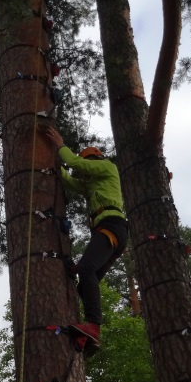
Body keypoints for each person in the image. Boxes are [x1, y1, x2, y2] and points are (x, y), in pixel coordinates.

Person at [43, 125, 128, 355]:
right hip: (112, 230)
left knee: (87, 268)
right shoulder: (92, 183)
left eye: (88, 165)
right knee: (84, 285)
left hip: (112, 225)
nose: (85, 173)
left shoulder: (107, 166)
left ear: (95, 160)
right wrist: (53, 163)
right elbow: (70, 180)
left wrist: (60, 145)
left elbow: (77, 165)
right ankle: (88, 334)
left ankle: (93, 325)